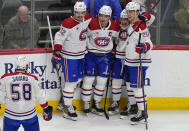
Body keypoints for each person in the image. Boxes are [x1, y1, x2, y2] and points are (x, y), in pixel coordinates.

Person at [52, 1, 91, 121]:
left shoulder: (88, 18)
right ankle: (67, 108)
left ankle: (63, 102)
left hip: (81, 56)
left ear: (85, 12)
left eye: (82, 13)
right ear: (74, 12)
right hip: (70, 57)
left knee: (76, 81)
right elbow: (59, 36)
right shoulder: (68, 23)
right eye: (77, 13)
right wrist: (57, 50)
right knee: (70, 83)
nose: (80, 15)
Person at [81, 5, 119, 115]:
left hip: (105, 57)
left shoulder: (115, 25)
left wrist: (115, 49)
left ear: (109, 17)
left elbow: (119, 38)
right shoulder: (92, 23)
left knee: (102, 81)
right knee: (89, 79)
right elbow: (83, 36)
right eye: (101, 15)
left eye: (105, 16)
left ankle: (96, 103)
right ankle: (86, 103)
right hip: (91, 55)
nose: (102, 18)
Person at [119, 2, 153, 123]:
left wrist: (143, 47)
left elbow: (149, 43)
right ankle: (134, 107)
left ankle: (143, 112)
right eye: (127, 11)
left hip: (139, 62)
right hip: (130, 61)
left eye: (131, 12)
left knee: (138, 87)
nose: (128, 14)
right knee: (129, 84)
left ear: (137, 12)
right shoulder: (133, 24)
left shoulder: (142, 26)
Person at [0, 56, 53, 131]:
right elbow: (39, 95)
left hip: (11, 115)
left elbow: (0, 94)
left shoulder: (5, 78)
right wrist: (45, 106)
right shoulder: (33, 78)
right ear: (26, 66)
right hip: (30, 115)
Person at [107, 9, 130, 115]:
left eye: (126, 19)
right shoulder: (116, 27)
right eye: (122, 19)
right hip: (118, 58)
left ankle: (132, 103)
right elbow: (111, 40)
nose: (124, 22)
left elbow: (150, 20)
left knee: (130, 83)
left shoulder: (134, 27)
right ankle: (115, 103)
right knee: (116, 81)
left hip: (130, 60)